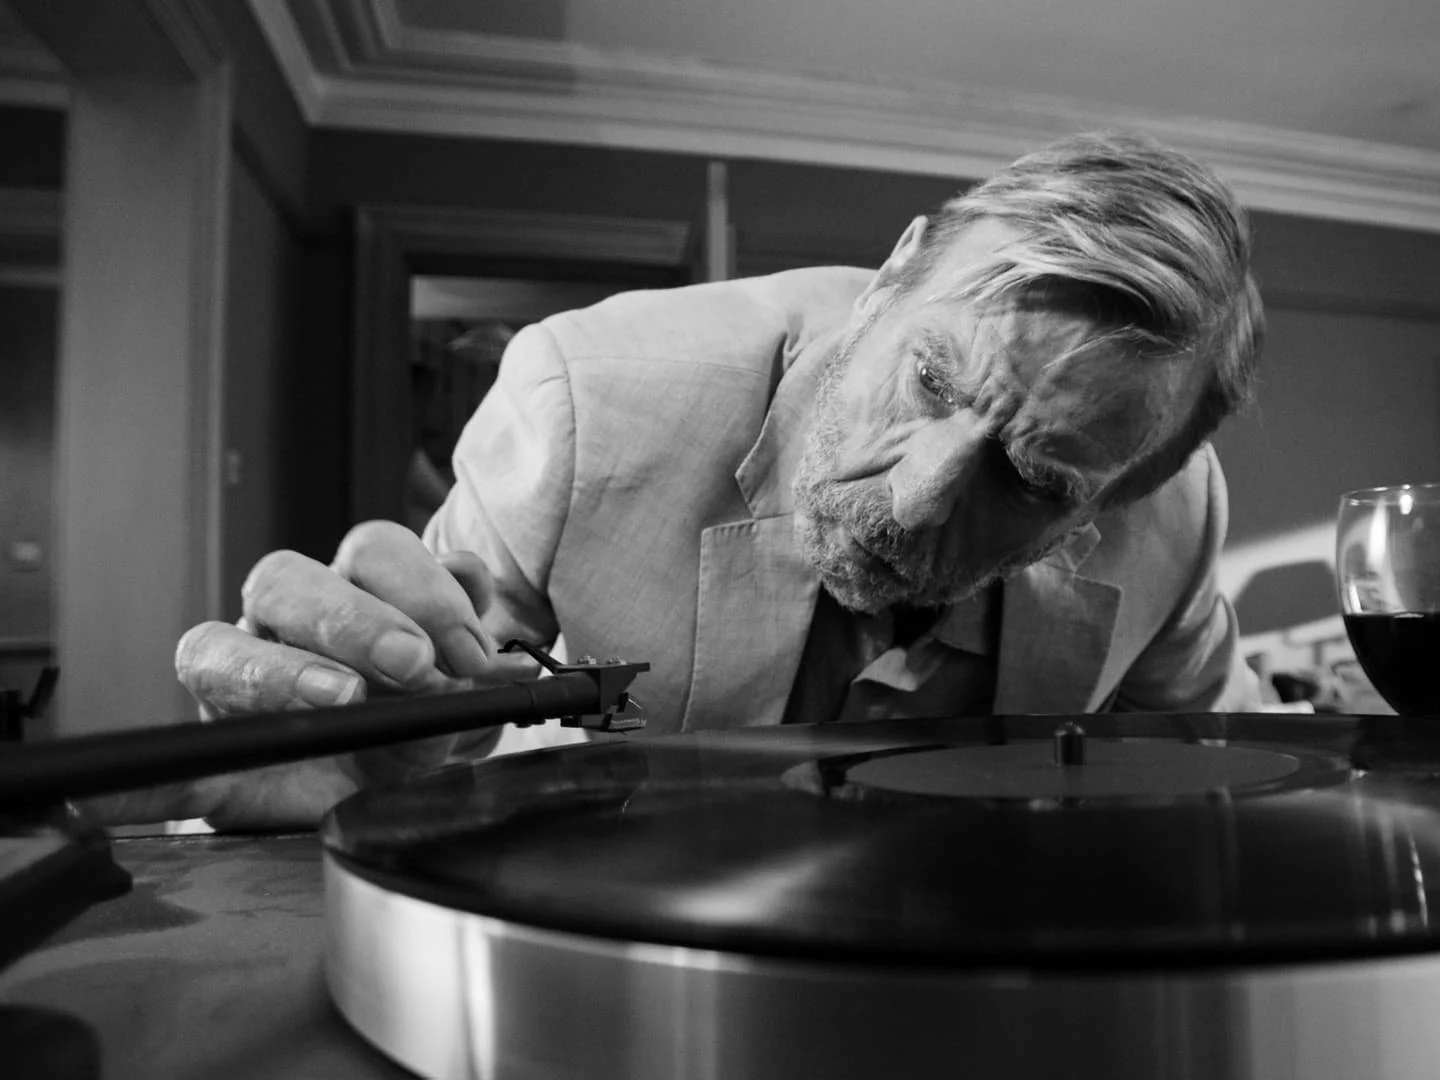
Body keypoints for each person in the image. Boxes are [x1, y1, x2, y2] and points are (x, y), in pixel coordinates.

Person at [138, 131, 1268, 829]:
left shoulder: (1177, 508)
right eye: (930, 379)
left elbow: (1247, 777)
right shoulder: (583, 397)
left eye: (1032, 476)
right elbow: (427, 720)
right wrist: (341, 746)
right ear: (888, 283)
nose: (920, 498)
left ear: (1120, 494)